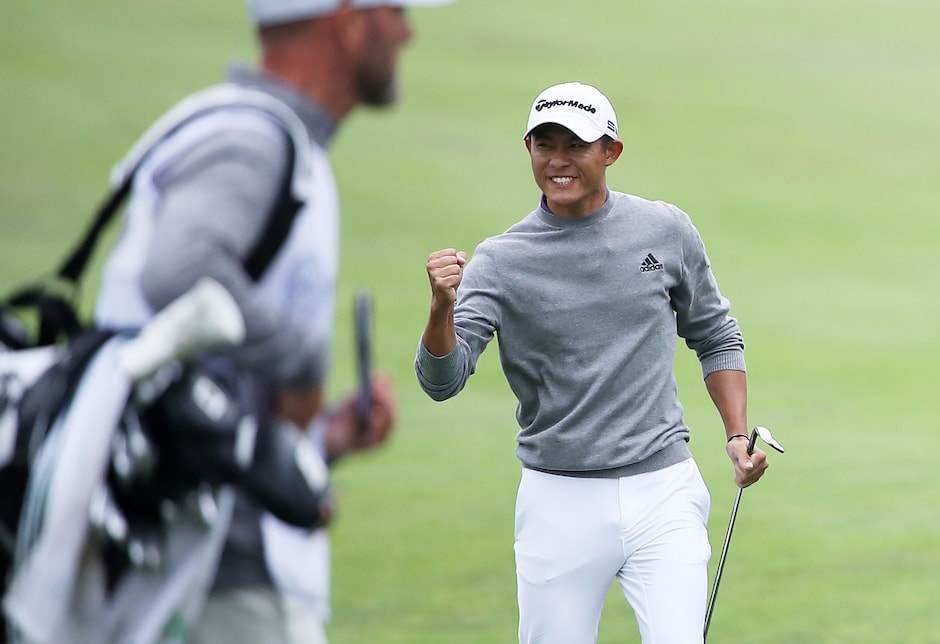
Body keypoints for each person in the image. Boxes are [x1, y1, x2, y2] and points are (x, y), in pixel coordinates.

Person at [91, 0, 455, 642]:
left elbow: (207, 367)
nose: (409, 30)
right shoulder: (256, 141)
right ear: (348, 22)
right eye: (395, 11)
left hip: (211, 545)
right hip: (214, 565)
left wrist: (321, 440)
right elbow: (179, 272)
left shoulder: (272, 135)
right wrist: (304, 360)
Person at [415, 81, 772, 643]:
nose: (558, 160)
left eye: (576, 145)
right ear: (527, 148)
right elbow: (443, 379)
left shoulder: (665, 230)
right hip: (558, 500)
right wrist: (442, 308)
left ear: (611, 151)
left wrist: (734, 435)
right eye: (544, 143)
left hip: (664, 489)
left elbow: (715, 333)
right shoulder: (501, 260)